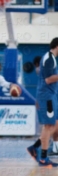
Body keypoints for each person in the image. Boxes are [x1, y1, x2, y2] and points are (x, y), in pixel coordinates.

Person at [27, 37, 58, 166]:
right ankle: (43, 157)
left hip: (50, 95)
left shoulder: (52, 58)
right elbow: (48, 79)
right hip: (46, 96)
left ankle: (36, 147)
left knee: (55, 124)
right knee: (49, 126)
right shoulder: (49, 59)